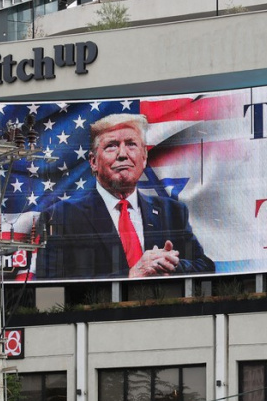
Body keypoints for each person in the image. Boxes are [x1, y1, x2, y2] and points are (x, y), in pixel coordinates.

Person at [37, 113, 214, 279]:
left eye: (131, 144)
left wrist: (169, 265)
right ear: (93, 162)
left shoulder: (173, 211)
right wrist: (130, 275)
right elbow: (50, 289)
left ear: (144, 157)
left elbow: (205, 267)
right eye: (111, 146)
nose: (122, 154)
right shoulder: (60, 216)